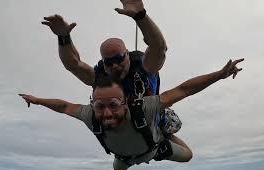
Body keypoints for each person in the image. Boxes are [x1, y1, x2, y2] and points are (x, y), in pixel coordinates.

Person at [19, 58, 244, 170]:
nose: (106, 113)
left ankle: (163, 131)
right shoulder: (91, 115)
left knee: (188, 156)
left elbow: (183, 90)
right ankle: (157, 134)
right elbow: (63, 106)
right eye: (99, 106)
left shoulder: (143, 107)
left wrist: (219, 75)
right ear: (92, 105)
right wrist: (38, 101)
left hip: (154, 148)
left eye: (114, 104)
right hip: (124, 157)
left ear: (125, 102)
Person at [42, 0, 181, 142]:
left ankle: (163, 141)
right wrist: (63, 37)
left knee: (182, 143)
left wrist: (140, 16)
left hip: (152, 123)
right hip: (123, 129)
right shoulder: (101, 76)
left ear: (127, 54)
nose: (114, 66)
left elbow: (159, 47)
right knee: (119, 164)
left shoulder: (143, 67)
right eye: (108, 62)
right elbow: (74, 65)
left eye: (119, 59)